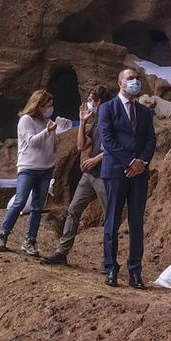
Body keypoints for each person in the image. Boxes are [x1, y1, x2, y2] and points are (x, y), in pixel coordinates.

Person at [97, 66, 156, 288]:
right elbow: (107, 140)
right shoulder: (107, 108)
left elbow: (151, 140)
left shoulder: (143, 111)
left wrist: (141, 162)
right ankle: (111, 268)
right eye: (131, 78)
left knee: (136, 223)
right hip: (116, 171)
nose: (136, 82)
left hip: (139, 174)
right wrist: (130, 162)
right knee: (111, 221)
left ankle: (135, 272)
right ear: (120, 82)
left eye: (138, 78)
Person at [41, 85, 111, 266]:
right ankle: (62, 252)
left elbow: (117, 148)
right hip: (89, 175)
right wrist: (82, 123)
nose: (88, 104)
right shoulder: (95, 123)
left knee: (109, 216)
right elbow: (81, 146)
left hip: (105, 175)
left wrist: (96, 160)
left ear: (99, 101)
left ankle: (108, 260)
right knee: (73, 210)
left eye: (91, 100)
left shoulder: (112, 120)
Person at [0, 89, 58, 255]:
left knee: (37, 207)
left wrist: (52, 158)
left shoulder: (48, 122)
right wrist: (48, 131)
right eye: (47, 106)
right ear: (39, 105)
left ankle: (30, 241)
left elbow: (50, 145)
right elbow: (32, 142)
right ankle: (3, 235)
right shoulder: (26, 120)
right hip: (28, 169)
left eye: (51, 105)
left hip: (45, 169)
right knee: (20, 201)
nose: (50, 109)